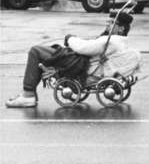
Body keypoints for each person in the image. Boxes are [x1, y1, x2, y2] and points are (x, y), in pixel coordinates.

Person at [5, 12, 141, 108]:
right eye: (108, 22)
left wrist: (70, 38)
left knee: (35, 51)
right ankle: (28, 93)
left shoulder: (111, 40)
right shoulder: (121, 42)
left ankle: (28, 94)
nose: (108, 26)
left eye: (112, 23)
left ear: (121, 28)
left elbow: (84, 48)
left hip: (76, 63)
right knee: (46, 50)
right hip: (80, 61)